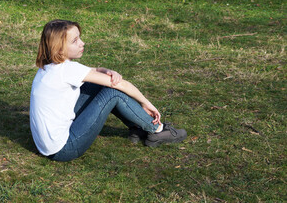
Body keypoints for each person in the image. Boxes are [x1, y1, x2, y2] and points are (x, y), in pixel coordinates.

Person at [29, 19, 187, 162]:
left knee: (95, 85)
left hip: (47, 147)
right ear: (59, 50)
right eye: (75, 41)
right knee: (113, 93)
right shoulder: (68, 70)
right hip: (65, 149)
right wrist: (146, 103)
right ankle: (157, 130)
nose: (82, 43)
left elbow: (94, 71)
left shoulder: (48, 67)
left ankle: (137, 129)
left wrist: (106, 70)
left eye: (80, 38)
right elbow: (121, 85)